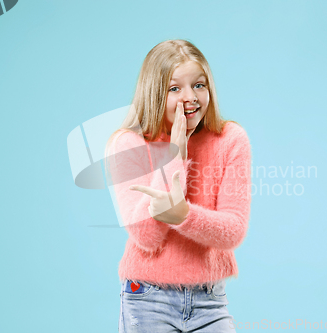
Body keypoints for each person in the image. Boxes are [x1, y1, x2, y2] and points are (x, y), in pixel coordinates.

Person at [105, 39, 252, 332]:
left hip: (210, 300)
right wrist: (176, 153)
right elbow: (145, 235)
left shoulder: (230, 139)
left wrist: (183, 215)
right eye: (175, 88)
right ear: (154, 92)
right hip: (147, 299)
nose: (190, 97)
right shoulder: (128, 143)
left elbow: (233, 230)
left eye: (199, 85)